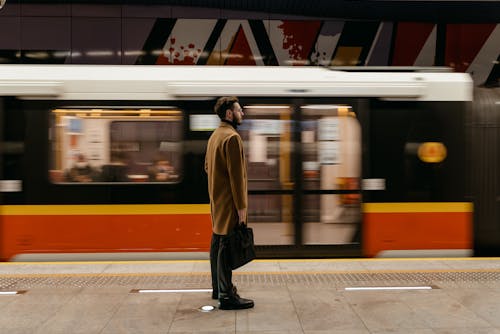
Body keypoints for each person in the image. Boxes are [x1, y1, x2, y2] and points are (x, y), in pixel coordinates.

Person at [204, 96, 254, 310]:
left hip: (216, 200)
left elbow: (207, 167)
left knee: (217, 241)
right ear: (229, 114)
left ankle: (217, 288)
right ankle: (226, 295)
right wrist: (242, 209)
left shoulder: (215, 135)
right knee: (226, 244)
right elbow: (237, 178)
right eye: (239, 110)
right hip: (229, 202)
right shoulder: (232, 138)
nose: (242, 113)